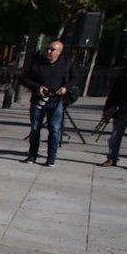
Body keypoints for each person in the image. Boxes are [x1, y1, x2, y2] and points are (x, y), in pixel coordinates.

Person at [19, 39, 77, 167]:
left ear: (59, 52)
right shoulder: (37, 63)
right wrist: (37, 87)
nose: (49, 51)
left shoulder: (66, 64)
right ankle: (32, 155)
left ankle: (51, 157)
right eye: (48, 49)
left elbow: (75, 78)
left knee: (54, 129)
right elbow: (24, 78)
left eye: (52, 50)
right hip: (38, 100)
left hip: (56, 101)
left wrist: (65, 87)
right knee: (35, 128)